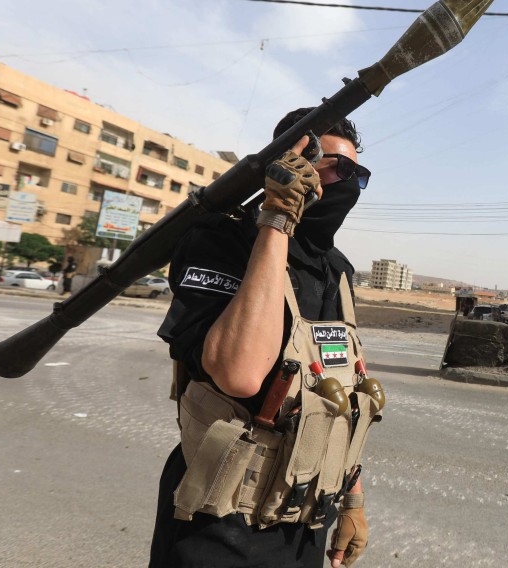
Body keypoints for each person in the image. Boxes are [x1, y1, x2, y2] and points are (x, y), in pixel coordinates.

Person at [149, 108, 378, 568]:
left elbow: (343, 398)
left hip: (305, 524)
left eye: (360, 174)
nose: (350, 184)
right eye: (339, 167)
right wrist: (276, 220)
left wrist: (352, 501)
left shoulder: (336, 269)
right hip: (218, 525)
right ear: (293, 161)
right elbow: (239, 374)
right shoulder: (221, 241)